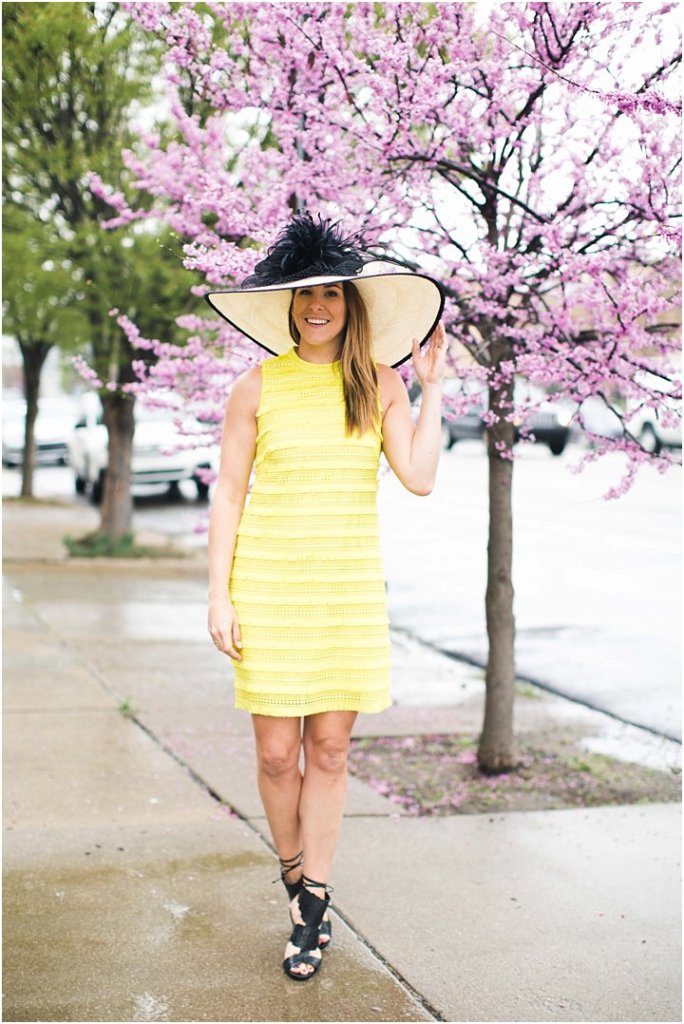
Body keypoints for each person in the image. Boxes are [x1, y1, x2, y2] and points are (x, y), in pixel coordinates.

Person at [205, 213, 446, 981]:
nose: (318, 306)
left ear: (351, 303)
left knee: (330, 750)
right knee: (278, 757)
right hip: (269, 587)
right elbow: (228, 495)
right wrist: (219, 596)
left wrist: (432, 390)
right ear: (289, 303)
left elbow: (419, 475)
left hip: (343, 591)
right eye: (305, 294)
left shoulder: (378, 383)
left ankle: (313, 906)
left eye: (332, 294)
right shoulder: (255, 385)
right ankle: (292, 874)